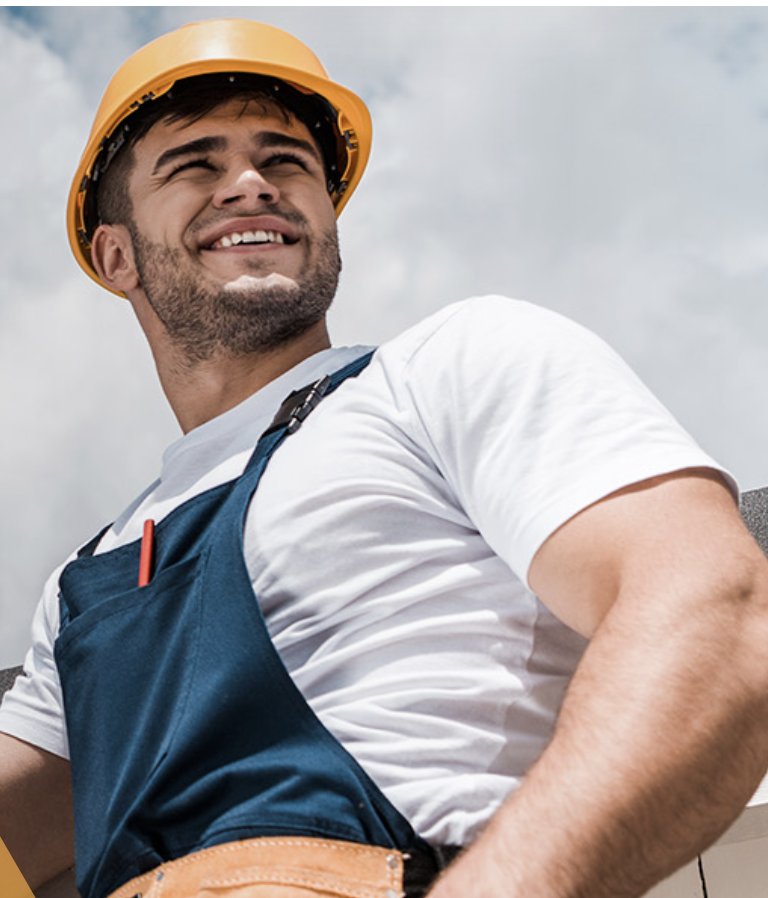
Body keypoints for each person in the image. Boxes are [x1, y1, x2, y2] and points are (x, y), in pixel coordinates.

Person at [1, 17, 767, 898]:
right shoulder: (85, 582)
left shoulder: (449, 368)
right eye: (196, 165)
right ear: (116, 253)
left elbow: (715, 613)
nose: (251, 184)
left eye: (286, 161)